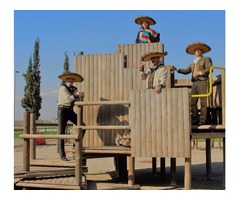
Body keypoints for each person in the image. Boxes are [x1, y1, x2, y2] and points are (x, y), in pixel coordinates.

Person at [173, 42, 212, 125]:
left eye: (199, 50)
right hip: (194, 83)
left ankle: (202, 120)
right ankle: (195, 119)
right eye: (196, 50)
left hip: (202, 81)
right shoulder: (193, 62)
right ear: (194, 53)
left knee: (203, 102)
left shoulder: (206, 59)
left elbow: (210, 69)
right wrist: (177, 69)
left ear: (202, 52)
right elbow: (186, 71)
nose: (197, 51)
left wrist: (200, 73)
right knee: (192, 102)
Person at [58, 72, 85, 161]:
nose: (70, 80)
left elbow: (78, 100)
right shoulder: (62, 88)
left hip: (70, 110)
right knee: (61, 132)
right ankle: (62, 155)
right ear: (66, 80)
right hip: (62, 110)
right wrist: (76, 95)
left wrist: (81, 96)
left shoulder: (74, 88)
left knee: (83, 126)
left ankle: (75, 146)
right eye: (69, 79)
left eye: (72, 79)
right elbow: (68, 99)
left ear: (73, 81)